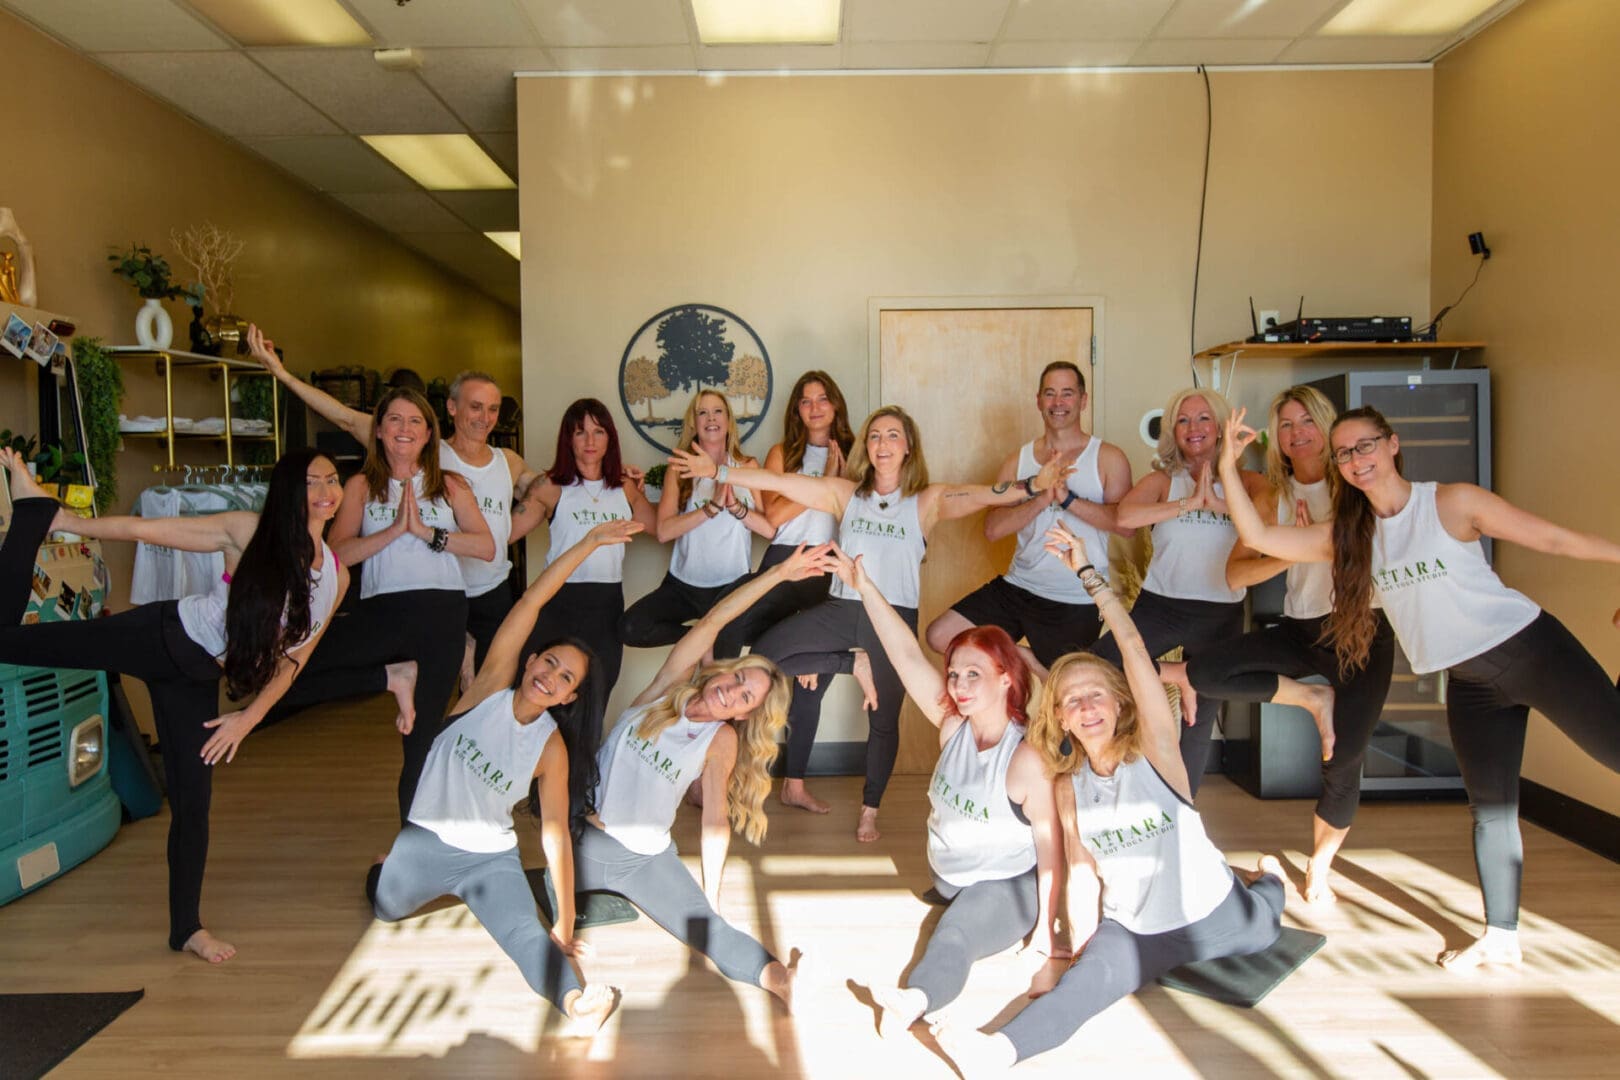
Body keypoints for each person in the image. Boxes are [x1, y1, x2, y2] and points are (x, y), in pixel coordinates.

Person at [1217, 405, 1620, 971]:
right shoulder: (1350, 538)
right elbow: (1258, 535)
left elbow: (1550, 539)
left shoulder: (1450, 502)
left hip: (1529, 649)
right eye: (1344, 453)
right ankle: (1501, 936)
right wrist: (1228, 465)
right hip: (1472, 682)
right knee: (1491, 809)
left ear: (1392, 444)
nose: (1356, 460)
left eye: (1365, 446)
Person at [935, 522, 1286, 1073]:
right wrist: (1065, 952)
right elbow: (1080, 872)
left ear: (1120, 703)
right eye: (1071, 699)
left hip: (1216, 914)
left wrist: (1089, 576)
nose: (1085, 705)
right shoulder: (1070, 785)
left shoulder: (1157, 754)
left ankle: (1269, 877)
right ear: (1061, 718)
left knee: (1266, 911)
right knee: (1088, 981)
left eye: (1096, 692)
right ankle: (996, 1052)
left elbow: (1133, 648)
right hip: (1137, 930)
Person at [0, 447, 348, 963]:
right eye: (312, 482)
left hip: (196, 679)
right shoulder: (248, 531)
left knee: (194, 806)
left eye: (334, 480)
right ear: (289, 492)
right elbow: (146, 531)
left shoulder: (335, 576)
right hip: (160, 635)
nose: (326, 492)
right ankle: (34, 512)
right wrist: (68, 520)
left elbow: (294, 660)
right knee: (9, 642)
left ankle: (186, 929)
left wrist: (247, 721)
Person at [670, 405, 1076, 840]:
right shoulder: (845, 494)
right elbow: (782, 482)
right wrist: (720, 472)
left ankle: (870, 808)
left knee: (883, 720)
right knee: (766, 653)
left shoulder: (927, 501)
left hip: (892, 620)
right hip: (841, 608)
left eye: (893, 436)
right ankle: (844, 666)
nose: (883, 443)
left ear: (907, 448)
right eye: (876, 436)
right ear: (867, 446)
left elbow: (985, 494)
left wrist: (1033, 485)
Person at [367, 517, 641, 1035]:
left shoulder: (551, 749)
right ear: (531, 658)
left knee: (525, 934)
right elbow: (530, 603)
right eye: (550, 662)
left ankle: (577, 1004)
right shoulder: (489, 688)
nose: (550, 677)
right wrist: (587, 543)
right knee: (383, 904)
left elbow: (556, 835)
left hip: (490, 859)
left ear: (568, 698)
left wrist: (561, 922)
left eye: (565, 679)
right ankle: (385, 866)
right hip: (425, 841)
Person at [579, 543, 839, 1008]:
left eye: (746, 699)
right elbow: (714, 621)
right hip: (587, 836)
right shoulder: (665, 692)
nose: (733, 694)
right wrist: (780, 573)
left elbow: (715, 818)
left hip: (646, 857)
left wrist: (711, 898)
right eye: (739, 680)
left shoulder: (720, 740)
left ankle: (785, 982)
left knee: (708, 927)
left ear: (745, 715)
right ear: (725, 670)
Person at [1167, 386, 1394, 903]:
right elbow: (1235, 575)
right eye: (1286, 426)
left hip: (1363, 632)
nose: (1297, 434)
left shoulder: (1357, 486)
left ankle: (1320, 867)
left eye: (1306, 422)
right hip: (1300, 629)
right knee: (1205, 673)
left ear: (1326, 426)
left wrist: (1320, 541)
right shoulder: (1274, 495)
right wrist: (1291, 553)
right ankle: (1314, 698)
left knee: (1343, 757)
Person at [832, 548, 1061, 1038]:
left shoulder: (1025, 760)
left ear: (1006, 679)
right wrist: (864, 586)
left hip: (1005, 885)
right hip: (952, 878)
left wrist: (1046, 930)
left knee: (953, 935)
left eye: (972, 674)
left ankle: (914, 1000)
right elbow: (906, 654)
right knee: (954, 915)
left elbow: (1052, 849)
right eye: (954, 673)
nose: (956, 685)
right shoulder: (952, 727)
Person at [267, 387, 494, 822]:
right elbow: (336, 556)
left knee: (421, 741)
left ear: (429, 433)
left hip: (441, 614)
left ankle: (414, 843)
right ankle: (392, 677)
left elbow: (486, 547)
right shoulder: (358, 486)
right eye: (394, 420)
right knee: (297, 669)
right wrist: (393, 531)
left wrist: (429, 533)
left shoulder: (449, 485)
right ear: (379, 431)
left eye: (414, 422)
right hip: (383, 611)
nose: (404, 429)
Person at [247, 326, 534, 665]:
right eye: (475, 407)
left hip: (489, 590)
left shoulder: (508, 461)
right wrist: (281, 375)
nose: (484, 418)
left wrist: (507, 532)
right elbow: (343, 417)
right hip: (430, 595)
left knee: (491, 683)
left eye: (493, 409)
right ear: (453, 408)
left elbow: (548, 494)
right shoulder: (420, 445)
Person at [1092, 386, 1269, 794]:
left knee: (1198, 720)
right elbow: (1127, 515)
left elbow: (1263, 521)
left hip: (1221, 612)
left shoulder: (1248, 481)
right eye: (1183, 419)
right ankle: (1180, 678)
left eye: (1204, 418)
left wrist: (1221, 492)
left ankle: (1183, 810)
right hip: (1162, 606)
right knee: (1102, 667)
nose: (1194, 427)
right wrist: (1190, 504)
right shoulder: (1162, 481)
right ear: (1173, 430)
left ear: (1222, 426)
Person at [926, 361, 1133, 678]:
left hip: (1075, 597)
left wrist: (1067, 499)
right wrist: (1042, 496)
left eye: (1067, 393)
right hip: (1018, 587)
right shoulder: (1017, 460)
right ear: (1038, 401)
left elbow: (1125, 525)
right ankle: (1028, 661)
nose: (1058, 403)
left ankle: (1034, 668)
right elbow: (993, 529)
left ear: (1083, 400)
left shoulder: (1108, 457)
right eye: (1050, 394)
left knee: (1067, 685)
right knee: (940, 635)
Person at [509, 398, 657, 697]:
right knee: (544, 691)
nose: (590, 440)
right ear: (568, 439)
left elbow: (662, 529)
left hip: (606, 603)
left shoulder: (624, 487)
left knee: (598, 689)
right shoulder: (548, 487)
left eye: (598, 431)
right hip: (558, 600)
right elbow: (505, 535)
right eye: (580, 432)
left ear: (609, 438)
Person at [711, 370, 855, 660]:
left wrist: (830, 484)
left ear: (836, 404)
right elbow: (774, 515)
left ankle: (845, 662)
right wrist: (824, 483)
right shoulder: (783, 452)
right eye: (805, 402)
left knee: (810, 672)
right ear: (796, 410)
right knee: (727, 618)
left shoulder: (854, 454)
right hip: (784, 556)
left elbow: (855, 516)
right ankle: (723, 696)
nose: (815, 408)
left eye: (822, 399)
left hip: (828, 562)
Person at [618, 389, 774, 650]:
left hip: (732, 587)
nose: (710, 418)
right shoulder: (678, 469)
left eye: (717, 411)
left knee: (721, 673)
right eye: (702, 412)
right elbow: (664, 531)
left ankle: (714, 635)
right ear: (694, 423)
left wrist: (736, 508)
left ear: (728, 421)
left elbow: (769, 529)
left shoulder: (748, 467)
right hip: (683, 586)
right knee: (631, 627)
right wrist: (709, 509)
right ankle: (701, 637)